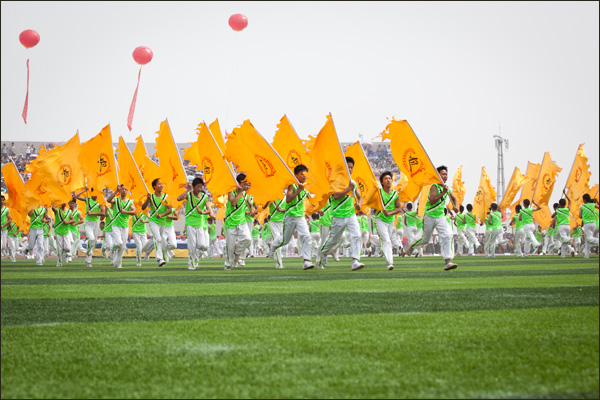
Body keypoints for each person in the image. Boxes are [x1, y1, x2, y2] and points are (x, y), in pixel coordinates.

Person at [318, 157, 365, 271]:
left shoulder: (353, 182)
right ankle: (323, 253)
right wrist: (348, 189)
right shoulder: (335, 181)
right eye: (348, 167)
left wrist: (359, 204)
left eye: (351, 167)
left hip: (351, 215)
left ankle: (355, 261)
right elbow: (335, 196)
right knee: (333, 240)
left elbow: (360, 197)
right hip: (338, 216)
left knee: (357, 236)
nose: (350, 169)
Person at [409, 165, 458, 270]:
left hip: (440, 216)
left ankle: (447, 261)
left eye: (446, 174)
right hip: (429, 215)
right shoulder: (434, 186)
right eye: (443, 174)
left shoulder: (447, 188)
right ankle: (412, 246)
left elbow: (454, 199)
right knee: (425, 240)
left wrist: (456, 206)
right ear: (438, 175)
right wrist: (443, 193)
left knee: (448, 234)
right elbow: (432, 201)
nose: (445, 176)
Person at [268, 164, 315, 270]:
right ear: (296, 175)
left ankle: (306, 261)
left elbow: (310, 199)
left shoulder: (305, 187)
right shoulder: (292, 185)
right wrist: (298, 190)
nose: (304, 176)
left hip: (300, 217)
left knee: (307, 236)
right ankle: (273, 245)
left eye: (305, 174)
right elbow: (288, 199)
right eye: (302, 174)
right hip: (290, 216)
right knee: (285, 240)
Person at [177, 178, 210, 270]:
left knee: (202, 245)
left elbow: (209, 210)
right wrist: (187, 190)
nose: (199, 189)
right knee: (192, 246)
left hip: (200, 224)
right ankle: (191, 264)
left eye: (201, 187)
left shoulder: (204, 197)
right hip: (190, 223)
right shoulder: (189, 195)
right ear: (194, 187)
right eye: (197, 187)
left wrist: (202, 212)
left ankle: (196, 257)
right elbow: (179, 198)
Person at [374, 171, 403, 270]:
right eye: (386, 179)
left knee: (386, 240)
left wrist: (390, 213)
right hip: (380, 220)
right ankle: (390, 263)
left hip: (390, 221)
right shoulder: (378, 193)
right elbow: (372, 204)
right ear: (382, 182)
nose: (388, 180)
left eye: (390, 178)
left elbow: (399, 208)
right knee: (386, 240)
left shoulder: (395, 194)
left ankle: (372, 240)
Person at [141, 178, 173, 267]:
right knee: (158, 239)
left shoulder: (166, 197)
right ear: (154, 186)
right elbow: (143, 208)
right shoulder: (151, 196)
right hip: (153, 220)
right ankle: (159, 259)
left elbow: (170, 210)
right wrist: (147, 200)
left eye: (162, 184)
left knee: (157, 239)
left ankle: (146, 250)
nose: (161, 186)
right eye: (159, 184)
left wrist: (162, 215)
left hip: (162, 221)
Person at [223, 173, 252, 270]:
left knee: (248, 239)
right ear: (238, 184)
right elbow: (233, 203)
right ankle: (228, 263)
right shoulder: (231, 192)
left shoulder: (246, 195)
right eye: (244, 184)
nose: (246, 186)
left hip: (242, 222)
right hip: (230, 222)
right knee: (230, 245)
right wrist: (240, 192)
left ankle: (237, 252)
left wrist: (252, 210)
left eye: (247, 184)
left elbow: (250, 205)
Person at [73, 187, 105, 267]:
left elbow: (103, 213)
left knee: (94, 242)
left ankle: (88, 261)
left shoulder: (100, 202)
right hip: (88, 223)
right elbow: (76, 196)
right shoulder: (88, 199)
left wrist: (92, 213)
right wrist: (84, 190)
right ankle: (88, 253)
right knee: (91, 239)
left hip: (96, 223)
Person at [106, 185, 136, 269]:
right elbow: (108, 200)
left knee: (122, 246)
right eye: (122, 189)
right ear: (120, 191)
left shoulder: (130, 201)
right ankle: (112, 248)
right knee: (118, 243)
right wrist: (116, 191)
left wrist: (125, 212)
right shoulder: (116, 199)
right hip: (116, 225)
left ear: (127, 191)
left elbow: (134, 212)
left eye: (125, 189)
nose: (124, 191)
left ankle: (118, 264)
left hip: (125, 226)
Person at [52, 202, 74, 267]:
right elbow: (53, 209)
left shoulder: (69, 211)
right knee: (59, 248)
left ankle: (65, 253)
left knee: (68, 248)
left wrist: (67, 222)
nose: (63, 203)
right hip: (58, 232)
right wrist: (55, 204)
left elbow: (73, 220)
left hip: (66, 232)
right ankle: (59, 263)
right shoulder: (57, 210)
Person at [554, 190, 574, 258]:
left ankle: (570, 240)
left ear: (559, 204)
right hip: (568, 226)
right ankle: (563, 255)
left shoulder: (558, 210)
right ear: (565, 204)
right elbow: (570, 201)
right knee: (563, 241)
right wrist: (565, 194)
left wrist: (558, 207)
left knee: (564, 239)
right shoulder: (567, 209)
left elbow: (552, 216)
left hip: (561, 226)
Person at [580, 193, 599, 258]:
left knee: (588, 238)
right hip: (593, 224)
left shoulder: (582, 207)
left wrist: (585, 216)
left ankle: (598, 241)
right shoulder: (593, 205)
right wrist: (597, 202)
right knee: (588, 240)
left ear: (585, 200)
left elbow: (580, 216)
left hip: (587, 224)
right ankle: (586, 255)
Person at [1, 195, 11, 260]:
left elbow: (10, 219)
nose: (1, 201)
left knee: (4, 246)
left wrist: (3, 225)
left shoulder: (6, 209)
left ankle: (3, 252)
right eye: (0, 200)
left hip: (4, 229)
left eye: (3, 200)